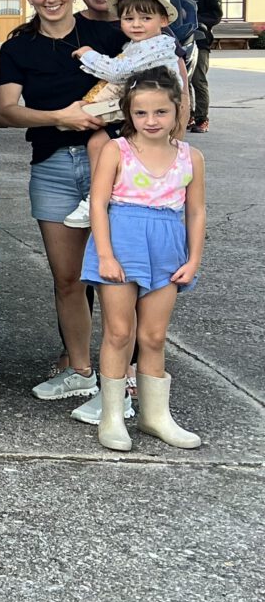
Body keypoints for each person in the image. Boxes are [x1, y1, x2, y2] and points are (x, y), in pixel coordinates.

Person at [0, 0, 127, 404]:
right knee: (67, 277)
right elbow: (6, 109)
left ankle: (120, 375)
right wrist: (61, 117)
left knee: (117, 274)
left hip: (112, 165)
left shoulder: (106, 35)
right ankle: (80, 369)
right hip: (52, 166)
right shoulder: (18, 46)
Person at [81, 69, 206, 451]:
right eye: (141, 114)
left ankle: (155, 416)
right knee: (119, 333)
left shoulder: (191, 157)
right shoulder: (115, 150)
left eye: (160, 112)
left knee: (152, 335)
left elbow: (196, 211)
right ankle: (113, 416)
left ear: (178, 111)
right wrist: (104, 254)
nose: (151, 121)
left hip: (167, 248)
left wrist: (193, 258)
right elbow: (99, 203)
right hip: (122, 242)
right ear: (128, 114)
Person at [64, 0, 188, 229]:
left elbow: (119, 72)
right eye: (129, 18)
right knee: (100, 142)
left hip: (153, 112)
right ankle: (102, 196)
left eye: (145, 18)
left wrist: (87, 53)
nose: (137, 24)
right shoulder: (136, 46)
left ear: (164, 20)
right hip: (139, 109)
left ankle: (103, 199)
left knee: (126, 150)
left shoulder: (158, 46)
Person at [169, 0, 221, 133]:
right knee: (184, 80)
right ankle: (188, 115)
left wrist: (193, 20)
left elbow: (216, 15)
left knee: (198, 79)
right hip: (180, 40)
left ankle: (201, 118)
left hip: (200, 39)